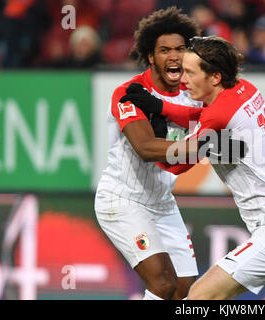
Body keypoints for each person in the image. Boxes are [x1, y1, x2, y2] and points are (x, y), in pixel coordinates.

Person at [121, 35, 265, 300]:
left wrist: (156, 143)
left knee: (198, 299)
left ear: (215, 77)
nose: (183, 80)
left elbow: (180, 159)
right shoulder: (244, 89)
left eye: (191, 73)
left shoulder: (219, 115)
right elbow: (202, 117)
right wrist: (160, 106)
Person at [94, 7, 203, 301]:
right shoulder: (130, 92)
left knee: (185, 290)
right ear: (151, 56)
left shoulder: (192, 92)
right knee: (163, 284)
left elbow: (221, 117)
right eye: (165, 49)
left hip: (163, 203)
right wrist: (203, 144)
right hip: (123, 200)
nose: (174, 56)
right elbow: (144, 148)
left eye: (180, 48)